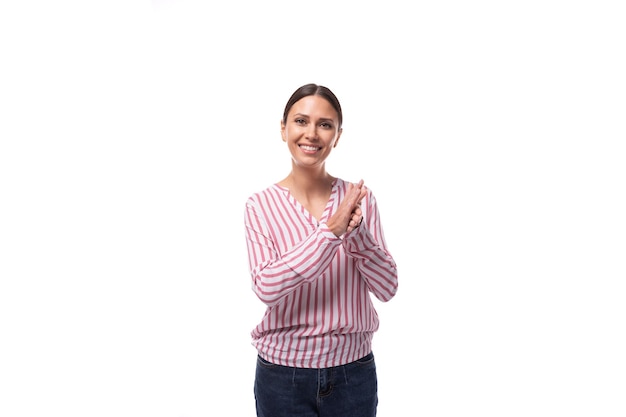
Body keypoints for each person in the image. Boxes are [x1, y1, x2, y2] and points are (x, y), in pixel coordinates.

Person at [243, 83, 398, 417]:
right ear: (283, 128)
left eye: (325, 124)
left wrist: (356, 235)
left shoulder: (360, 199)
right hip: (282, 375)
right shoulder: (259, 206)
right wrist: (331, 232)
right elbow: (267, 287)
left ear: (337, 135)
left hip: (353, 372)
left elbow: (387, 289)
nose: (311, 134)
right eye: (301, 121)